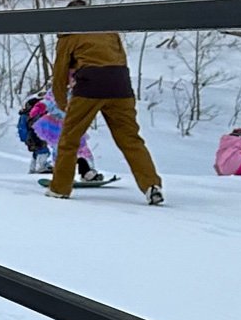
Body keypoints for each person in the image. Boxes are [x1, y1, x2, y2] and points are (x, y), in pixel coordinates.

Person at [43, 21, 164, 205]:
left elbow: (60, 73)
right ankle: (151, 185)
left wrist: (61, 103)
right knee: (130, 139)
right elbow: (120, 59)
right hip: (120, 85)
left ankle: (59, 188)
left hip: (90, 85)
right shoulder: (108, 30)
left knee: (70, 139)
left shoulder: (69, 35)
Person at [18, 88, 105, 184]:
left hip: (74, 125)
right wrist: (40, 106)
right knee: (61, 151)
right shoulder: (58, 89)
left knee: (82, 149)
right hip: (57, 127)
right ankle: (61, 175)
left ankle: (87, 172)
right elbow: (48, 101)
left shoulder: (81, 89)